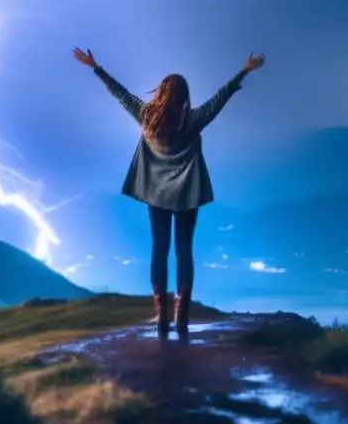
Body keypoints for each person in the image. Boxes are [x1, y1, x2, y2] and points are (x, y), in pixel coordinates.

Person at [73, 47, 266, 338]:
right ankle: (182, 314)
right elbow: (219, 100)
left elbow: (120, 93)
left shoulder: (146, 116)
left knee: (159, 250)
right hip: (187, 195)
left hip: (156, 195)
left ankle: (161, 312)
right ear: (185, 96)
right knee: (183, 251)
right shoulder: (193, 120)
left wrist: (95, 67)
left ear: (161, 93)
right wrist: (244, 70)